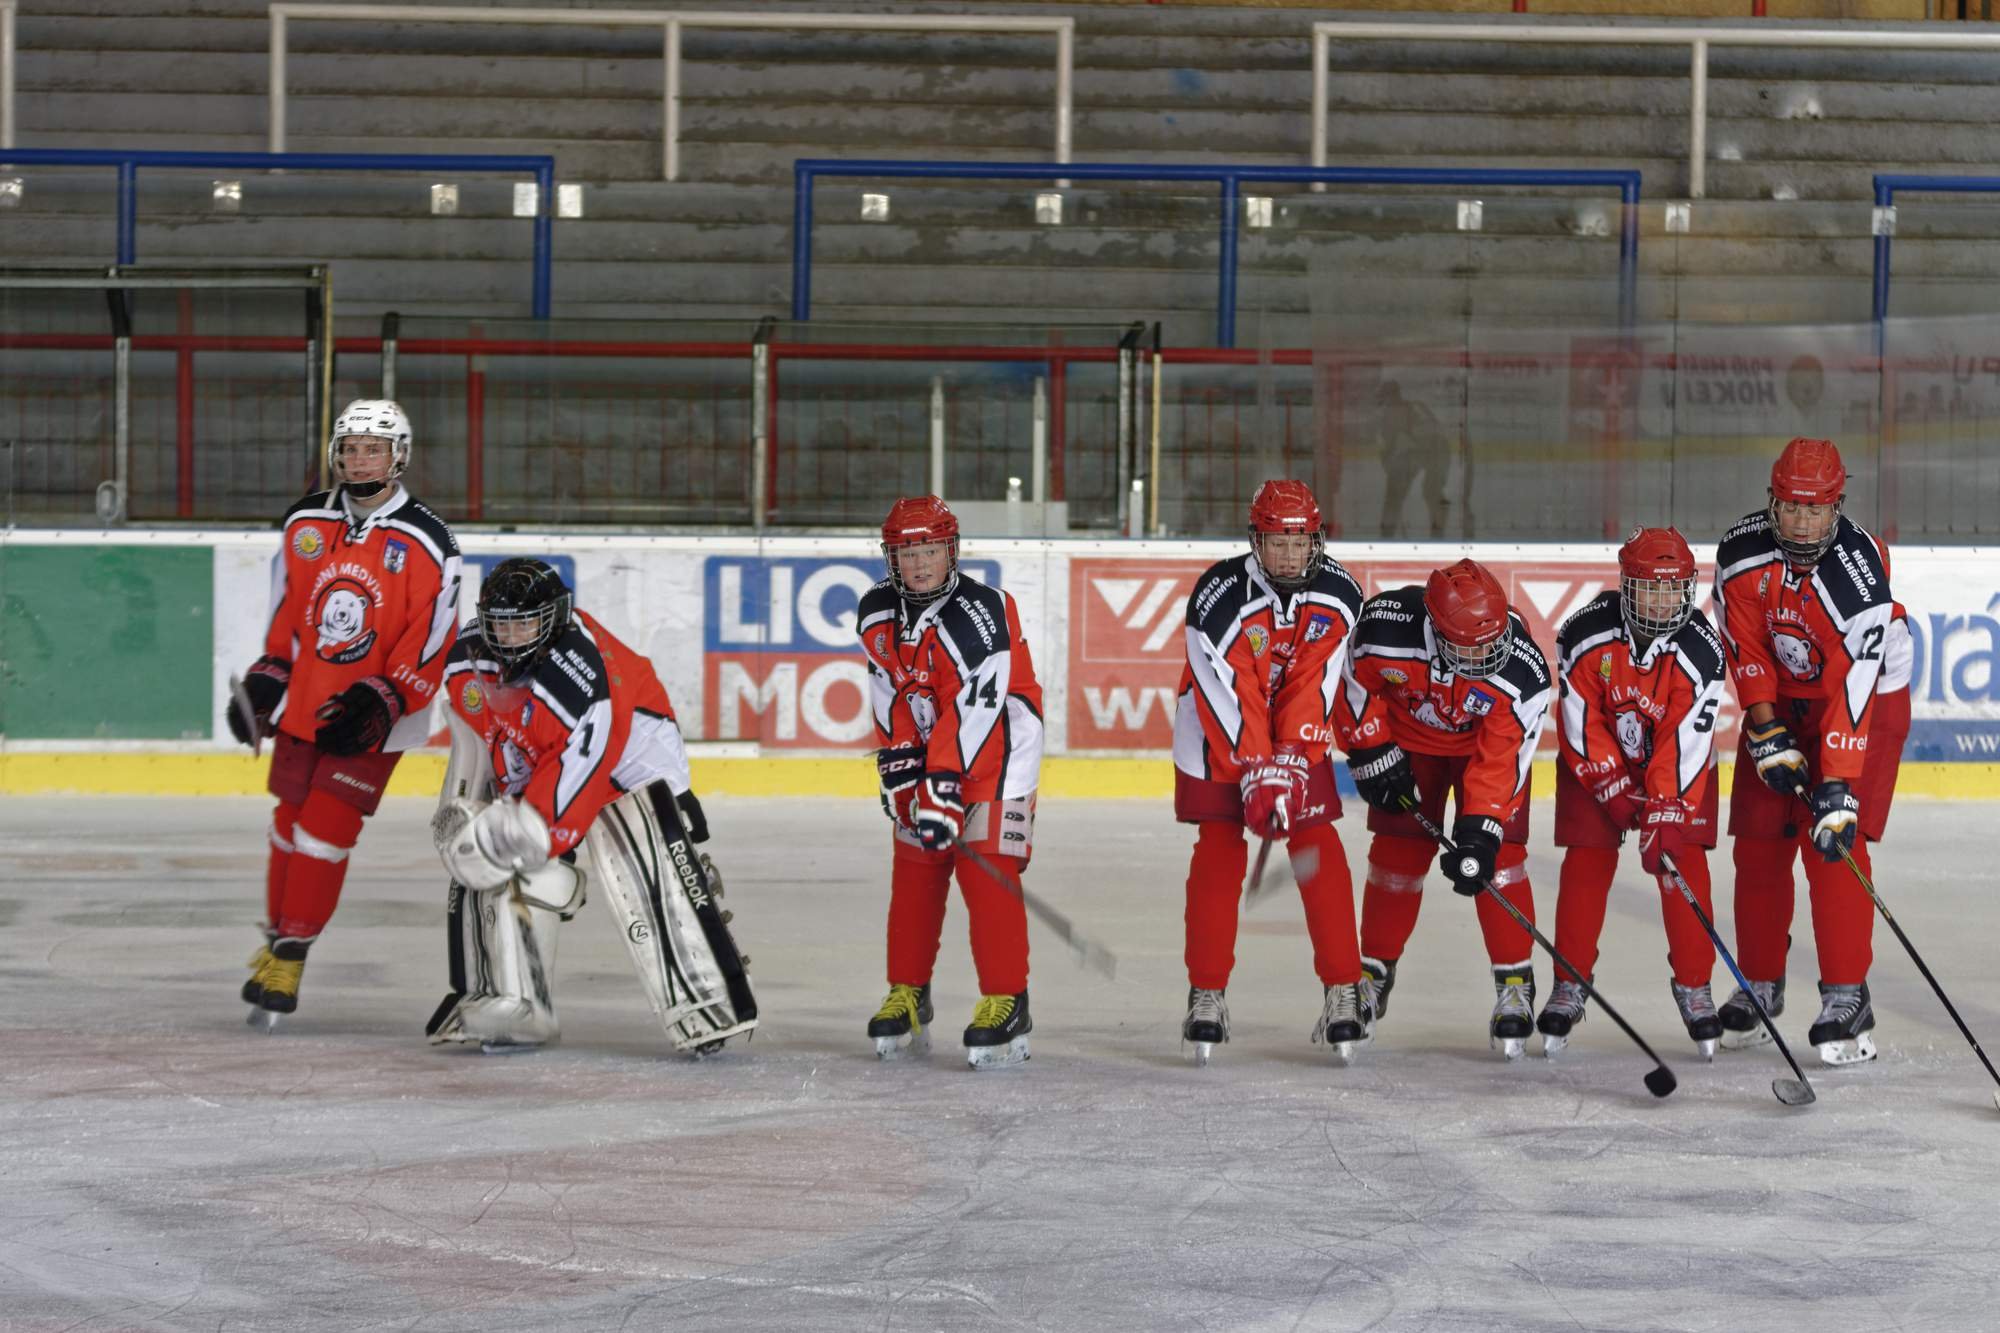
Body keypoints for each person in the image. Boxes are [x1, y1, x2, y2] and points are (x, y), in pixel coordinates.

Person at [427, 558, 756, 1054]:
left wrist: (528, 832)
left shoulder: (577, 675)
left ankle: (708, 999)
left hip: (635, 755)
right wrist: (465, 808)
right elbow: (475, 738)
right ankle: (515, 1004)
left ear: (554, 619)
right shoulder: (469, 658)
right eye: (501, 625)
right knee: (505, 859)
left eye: (524, 624)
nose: (510, 638)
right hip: (545, 747)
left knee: (652, 873)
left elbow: (577, 775)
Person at [227, 399, 461, 1027]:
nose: (360, 460)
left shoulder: (428, 538)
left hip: (376, 714)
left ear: (398, 456)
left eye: (373, 449)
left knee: (322, 832)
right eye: (351, 448)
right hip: (308, 701)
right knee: (287, 825)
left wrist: (390, 694)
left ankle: (291, 954)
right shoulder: (305, 521)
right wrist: (271, 672)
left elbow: (434, 634)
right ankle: (276, 938)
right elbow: (288, 606)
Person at [1712, 437, 1911, 1066]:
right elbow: (1745, 646)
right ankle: (1759, 983)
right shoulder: (1739, 552)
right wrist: (1765, 726)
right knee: (1758, 843)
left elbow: (1854, 688)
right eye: (1792, 506)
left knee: (1834, 840)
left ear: (1837, 507)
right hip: (1783, 701)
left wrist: (1839, 781)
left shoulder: (1859, 575)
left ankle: (1848, 996)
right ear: (1772, 501)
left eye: (1816, 509)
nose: (1802, 522)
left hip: (1865, 703)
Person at [1173, 479, 1369, 1064]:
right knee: (1218, 847)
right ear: (1255, 542)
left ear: (1316, 540)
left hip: (1295, 730)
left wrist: (1290, 761)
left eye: (1299, 542)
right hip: (1215, 729)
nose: (1289, 555)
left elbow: (1315, 683)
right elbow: (1229, 692)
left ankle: (1344, 988)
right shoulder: (1218, 594)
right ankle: (1206, 993)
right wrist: (1257, 769)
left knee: (1316, 842)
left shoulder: (1341, 593)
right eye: (1277, 543)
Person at [1335, 558, 1554, 1058]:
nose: (1486, 656)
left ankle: (1514, 981)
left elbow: (1504, 757)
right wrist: (1369, 748)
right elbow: (1350, 682)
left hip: (1481, 749)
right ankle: (1373, 972)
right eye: (1468, 648)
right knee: (1396, 855)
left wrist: (1482, 827)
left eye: (1492, 644)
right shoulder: (1383, 630)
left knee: (1500, 859)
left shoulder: (1523, 668)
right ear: (1435, 631)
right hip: (1409, 744)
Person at [858, 496, 1045, 1070]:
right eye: (907, 553)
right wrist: (901, 768)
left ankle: (1007, 999)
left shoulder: (983, 611)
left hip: (1000, 754)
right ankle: (908, 990)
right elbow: (889, 692)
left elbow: (975, 711)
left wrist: (941, 781)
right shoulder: (876, 610)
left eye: (931, 551)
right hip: (934, 752)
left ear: (952, 551)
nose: (919, 564)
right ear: (891, 557)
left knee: (985, 869)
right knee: (916, 866)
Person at [1541, 527, 1730, 1059]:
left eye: (1674, 589)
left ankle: (1695, 985)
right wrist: (1612, 786)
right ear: (1626, 585)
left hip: (1678, 768)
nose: (1663, 601)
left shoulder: (1704, 650)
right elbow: (1580, 717)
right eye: (1650, 588)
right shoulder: (1583, 632)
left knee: (1681, 864)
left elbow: (1685, 738)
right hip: (1595, 764)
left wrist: (1665, 810)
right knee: (1586, 861)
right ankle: (1569, 981)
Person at [1376, 379, 1452, 540]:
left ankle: (1387, 535)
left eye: (1385, 397)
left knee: (1399, 494)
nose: (1384, 402)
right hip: (1435, 451)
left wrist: (1389, 462)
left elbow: (1390, 445)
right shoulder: (1415, 406)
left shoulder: (1393, 413)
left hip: (1427, 451)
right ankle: (1437, 533)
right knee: (1430, 492)